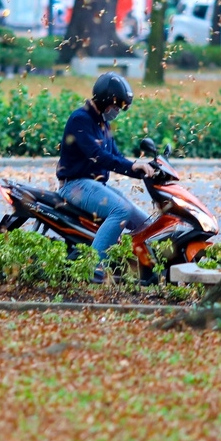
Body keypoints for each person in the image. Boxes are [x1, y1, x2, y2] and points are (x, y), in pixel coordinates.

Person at [56, 72, 156, 283]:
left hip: (93, 185)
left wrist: (143, 168)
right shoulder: (80, 119)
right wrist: (131, 166)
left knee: (144, 222)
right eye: (117, 106)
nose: (118, 111)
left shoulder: (103, 123)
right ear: (104, 99)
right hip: (74, 185)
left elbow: (116, 156)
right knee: (121, 209)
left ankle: (144, 270)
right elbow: (99, 157)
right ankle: (94, 268)